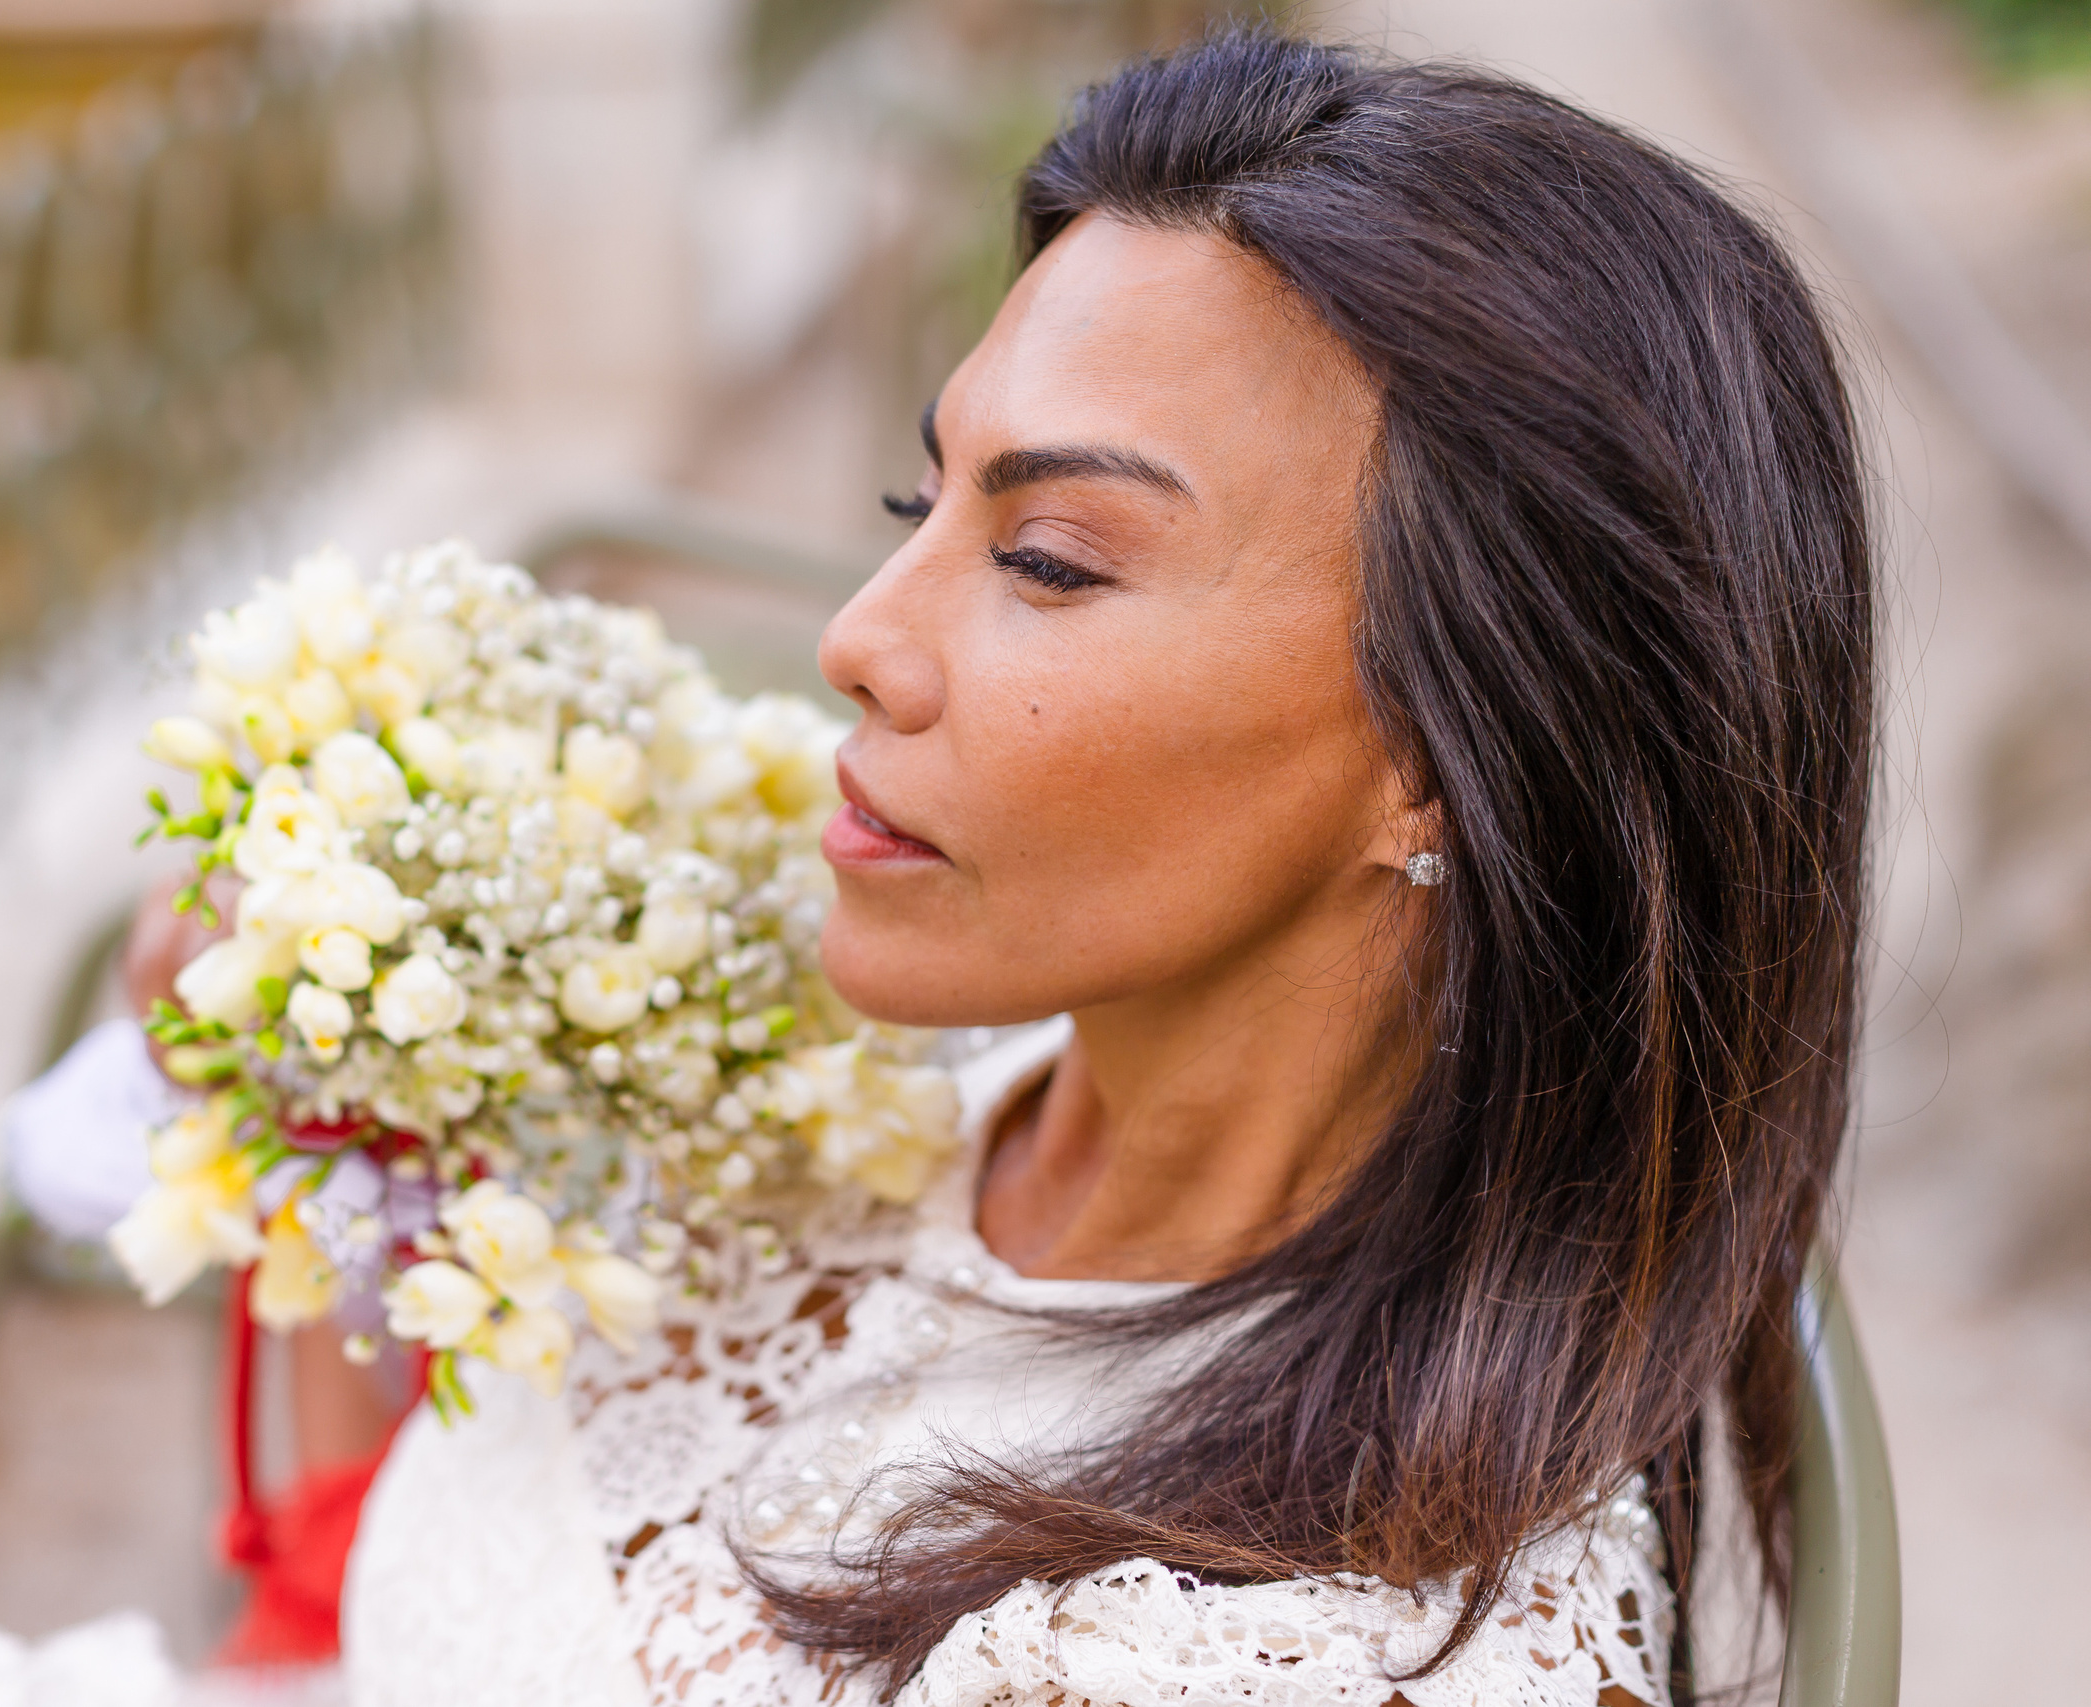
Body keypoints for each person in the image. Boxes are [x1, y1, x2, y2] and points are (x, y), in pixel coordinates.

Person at [341, 26, 1870, 1707]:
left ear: (1447, 747)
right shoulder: (863, 1087)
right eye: (909, 500)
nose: (859, 638)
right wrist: (319, 1111)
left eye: (1049, 560)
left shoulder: (1299, 1655)